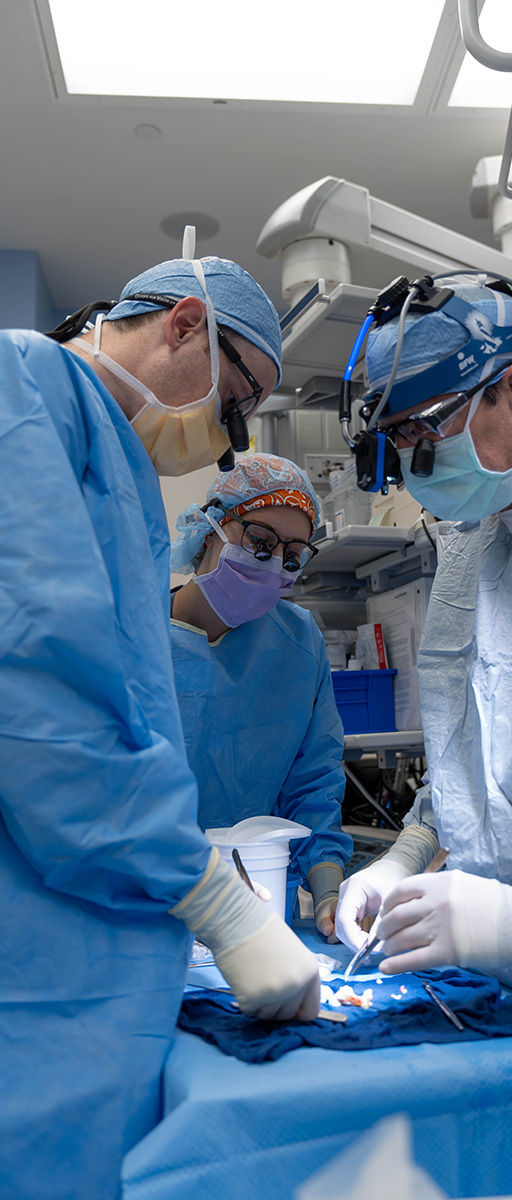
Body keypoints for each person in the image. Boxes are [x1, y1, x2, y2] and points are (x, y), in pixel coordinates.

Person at [0, 255, 321, 1200]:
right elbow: (39, 696)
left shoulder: (117, 473)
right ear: (184, 324)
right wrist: (213, 899)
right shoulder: (24, 387)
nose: (230, 438)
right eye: (237, 401)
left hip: (86, 955)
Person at [335, 275, 512, 1038]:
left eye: (428, 431)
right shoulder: (471, 539)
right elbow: (476, 755)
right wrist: (405, 856)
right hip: (505, 994)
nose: (416, 467)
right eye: (399, 442)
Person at [170, 452, 352, 938]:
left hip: (259, 904)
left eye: (292, 555)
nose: (273, 564)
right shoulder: (130, 636)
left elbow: (314, 782)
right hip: (144, 906)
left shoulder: (298, 643)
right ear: (210, 529)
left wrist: (329, 890)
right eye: (260, 542)